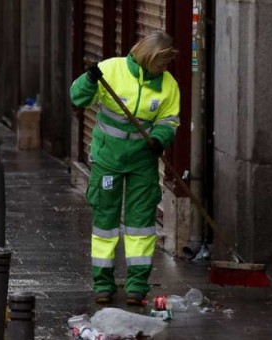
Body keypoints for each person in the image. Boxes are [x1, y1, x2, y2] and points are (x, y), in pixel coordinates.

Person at [69, 31, 180, 305]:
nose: (164, 69)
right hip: (108, 159)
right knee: (105, 223)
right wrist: (89, 80)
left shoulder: (168, 85)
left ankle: (137, 286)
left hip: (143, 161)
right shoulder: (111, 70)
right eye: (161, 63)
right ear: (148, 57)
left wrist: (160, 139)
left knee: (140, 224)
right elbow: (78, 98)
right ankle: (103, 284)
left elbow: (170, 120)